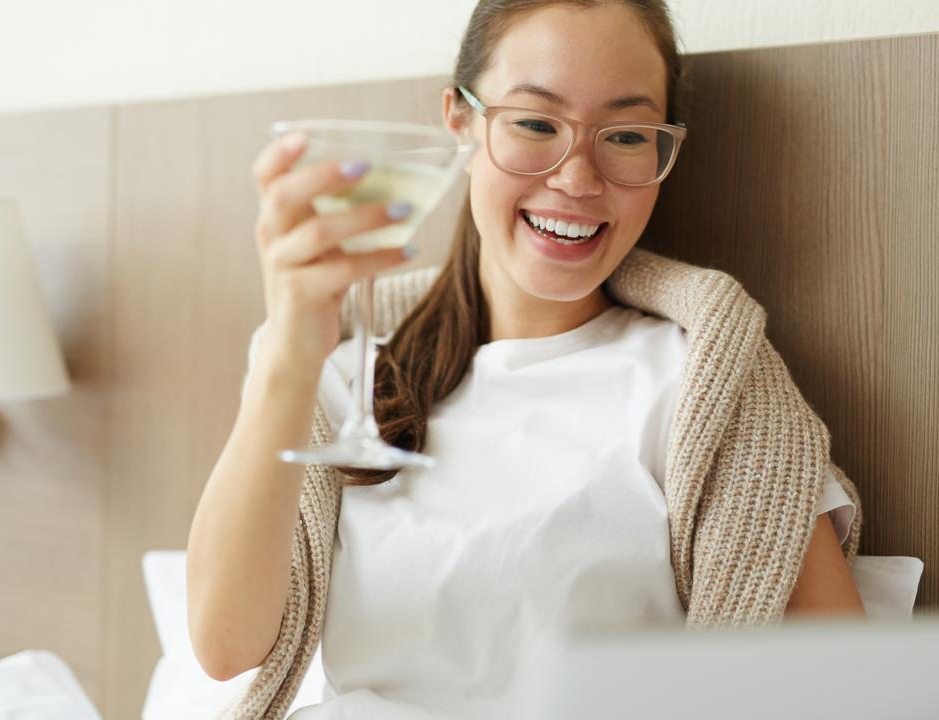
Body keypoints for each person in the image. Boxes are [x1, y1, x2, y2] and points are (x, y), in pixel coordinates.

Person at [187, 1, 866, 718]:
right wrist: (289, 354)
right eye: (536, 124)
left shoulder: (708, 386)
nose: (577, 178)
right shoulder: (336, 373)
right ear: (459, 121)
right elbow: (227, 645)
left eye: (627, 136)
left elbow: (843, 688)